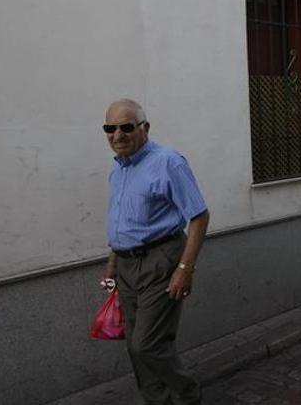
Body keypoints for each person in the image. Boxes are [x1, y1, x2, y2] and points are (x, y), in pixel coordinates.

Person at [101, 99, 209, 405]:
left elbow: (200, 216)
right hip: (125, 264)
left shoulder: (168, 162)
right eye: (110, 128)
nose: (117, 135)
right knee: (135, 348)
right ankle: (158, 401)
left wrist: (185, 269)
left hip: (160, 260)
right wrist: (112, 262)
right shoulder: (118, 167)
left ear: (144, 128)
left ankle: (188, 395)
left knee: (147, 344)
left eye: (126, 127)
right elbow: (121, 218)